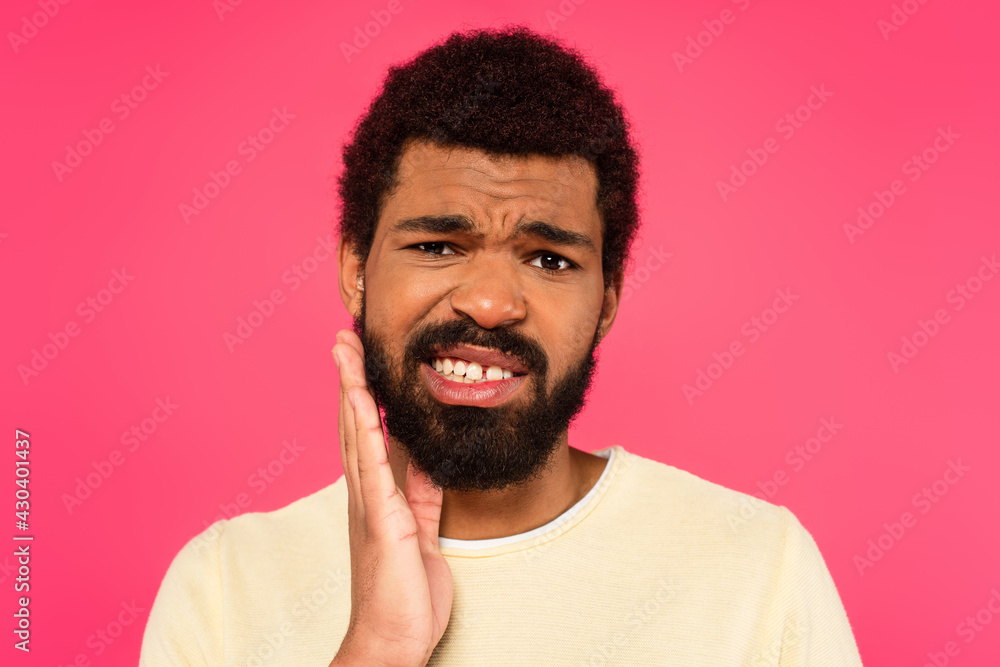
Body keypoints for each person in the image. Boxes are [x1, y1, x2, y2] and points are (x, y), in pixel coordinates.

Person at [140, 26, 863, 666]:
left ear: (607, 300)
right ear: (356, 269)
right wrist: (378, 650)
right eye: (438, 245)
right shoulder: (223, 588)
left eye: (549, 259)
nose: (489, 304)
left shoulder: (759, 570)